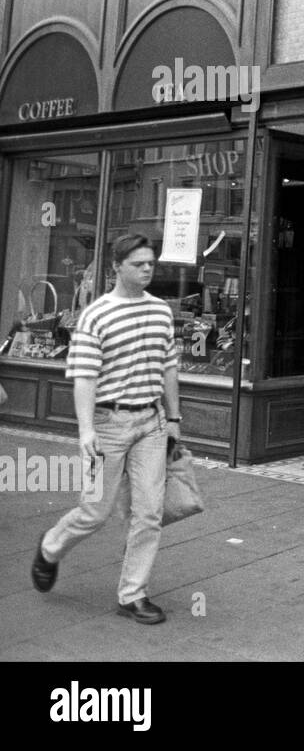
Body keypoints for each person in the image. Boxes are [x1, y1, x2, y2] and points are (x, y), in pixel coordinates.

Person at [31, 233, 183, 625]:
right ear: (116, 267)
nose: (147, 269)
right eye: (139, 264)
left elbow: (169, 368)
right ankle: (51, 547)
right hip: (107, 423)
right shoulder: (96, 315)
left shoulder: (161, 312)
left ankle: (133, 594)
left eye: (151, 263)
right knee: (95, 513)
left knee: (148, 512)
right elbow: (85, 377)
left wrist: (175, 419)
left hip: (150, 423)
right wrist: (85, 432)